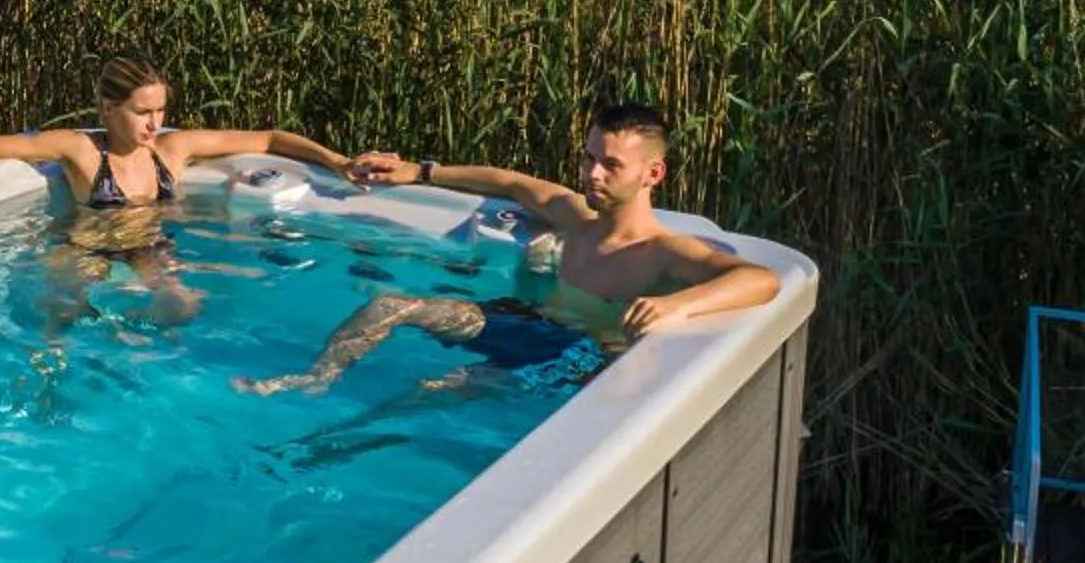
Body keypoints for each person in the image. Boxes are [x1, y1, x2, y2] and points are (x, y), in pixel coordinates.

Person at [236, 102, 778, 396]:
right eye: (589, 157)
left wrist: (676, 305)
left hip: (570, 354)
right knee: (388, 305)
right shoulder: (575, 216)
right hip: (525, 321)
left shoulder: (663, 252)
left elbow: (761, 279)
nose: (592, 173)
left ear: (653, 173)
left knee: (430, 391)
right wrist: (419, 172)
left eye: (611, 164)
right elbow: (511, 183)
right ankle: (315, 379)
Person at [0, 54, 354, 331]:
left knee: (183, 307)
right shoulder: (81, 150)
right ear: (109, 108)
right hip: (87, 249)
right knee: (62, 314)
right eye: (142, 112)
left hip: (149, 249)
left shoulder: (171, 151)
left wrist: (337, 161)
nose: (155, 123)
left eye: (160, 110)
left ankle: (121, 333)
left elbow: (269, 139)